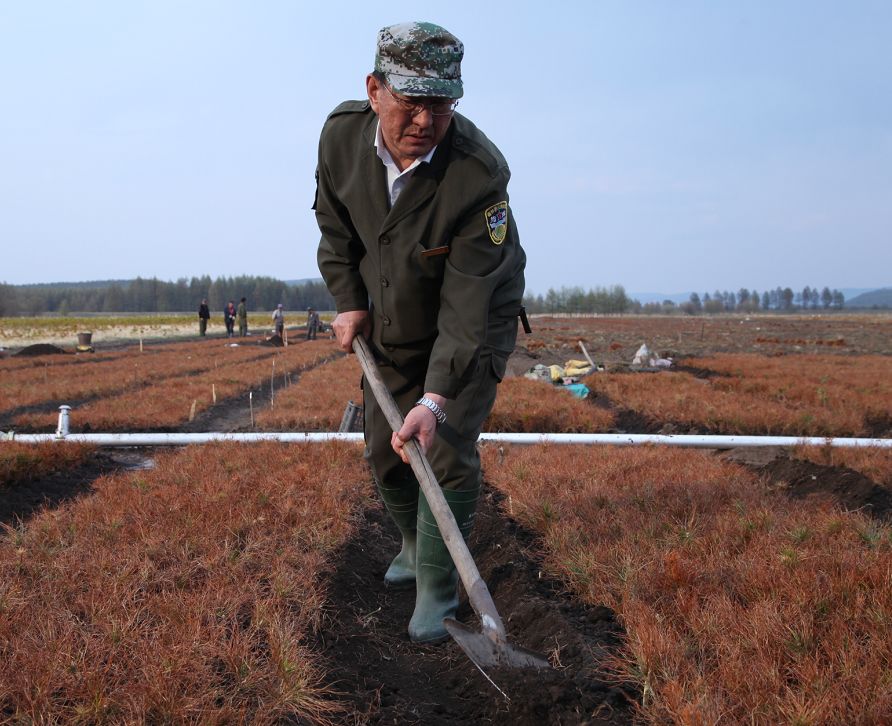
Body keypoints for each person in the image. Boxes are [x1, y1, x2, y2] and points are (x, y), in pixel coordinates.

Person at [314, 21, 526, 644]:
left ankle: (438, 591)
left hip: (472, 314)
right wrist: (349, 300)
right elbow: (335, 223)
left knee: (444, 445)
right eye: (411, 102)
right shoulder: (339, 137)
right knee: (385, 447)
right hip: (390, 307)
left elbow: (466, 306)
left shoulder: (477, 174)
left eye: (442, 104)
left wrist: (435, 401)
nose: (426, 120)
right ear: (375, 89)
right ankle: (413, 545)